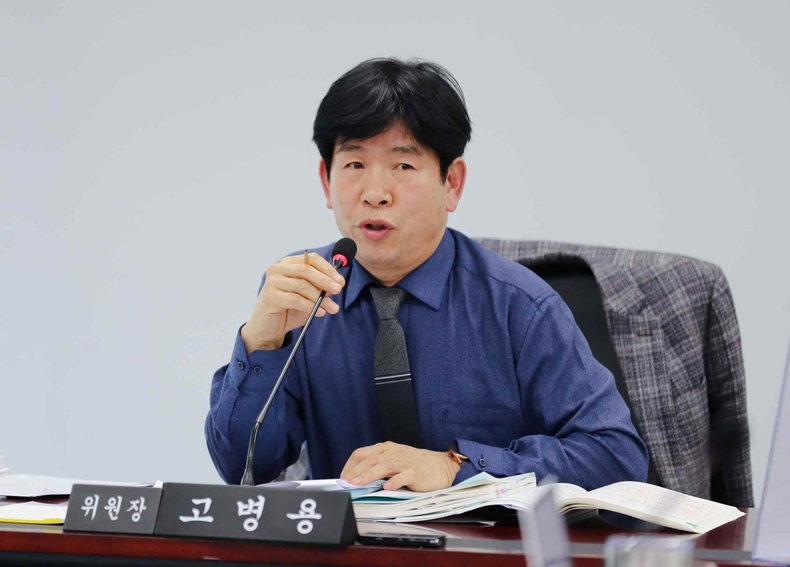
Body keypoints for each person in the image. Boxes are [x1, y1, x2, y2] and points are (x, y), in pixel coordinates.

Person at [206, 58, 648, 492]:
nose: (375, 194)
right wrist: (260, 342)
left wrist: (458, 466)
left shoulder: (520, 306)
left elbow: (616, 457)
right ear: (326, 181)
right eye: (355, 165)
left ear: (451, 183)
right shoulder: (303, 295)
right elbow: (244, 469)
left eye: (403, 166)